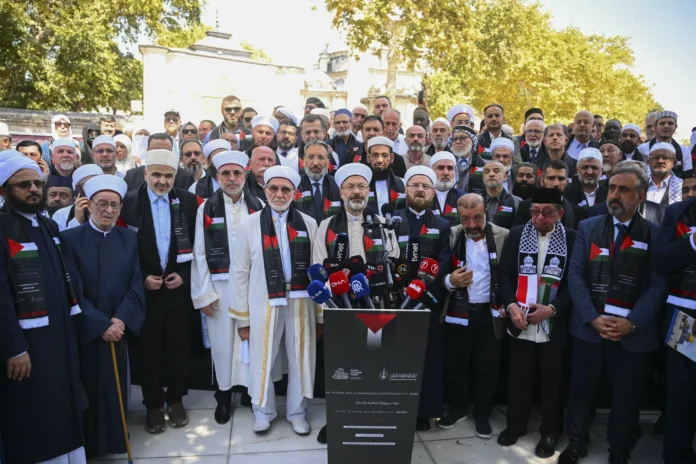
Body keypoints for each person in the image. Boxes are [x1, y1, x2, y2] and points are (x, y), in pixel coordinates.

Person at [559, 162, 667, 464]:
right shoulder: (588, 227)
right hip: (589, 329)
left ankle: (620, 451)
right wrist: (592, 317)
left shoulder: (656, 234)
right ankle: (576, 443)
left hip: (632, 334)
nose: (615, 195)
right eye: (613, 188)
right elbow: (575, 275)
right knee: (580, 391)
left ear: (641, 196)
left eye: (624, 189)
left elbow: (658, 285)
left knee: (627, 397)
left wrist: (633, 323)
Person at [0, 154, 86, 464]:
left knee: (63, 402)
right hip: (27, 344)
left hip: (60, 335)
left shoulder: (48, 225)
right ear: (3, 190)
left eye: (38, 183)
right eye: (24, 185)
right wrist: (13, 348)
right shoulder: (3, 228)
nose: (34, 189)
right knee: (36, 410)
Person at [230, 165, 320, 436]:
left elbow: (318, 270)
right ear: (265, 190)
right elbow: (240, 272)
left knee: (300, 358)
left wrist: (319, 315)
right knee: (263, 358)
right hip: (263, 301)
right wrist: (242, 319)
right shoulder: (249, 224)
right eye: (274, 188)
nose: (279, 194)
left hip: (300, 300)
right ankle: (263, 412)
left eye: (285, 189)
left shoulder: (309, 223)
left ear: (295, 193)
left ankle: (297, 413)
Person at [61, 175, 145, 459]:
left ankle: (115, 439)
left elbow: (136, 282)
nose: (108, 210)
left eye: (114, 205)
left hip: (118, 327)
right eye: (102, 204)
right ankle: (92, 445)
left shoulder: (128, 238)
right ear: (89, 205)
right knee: (91, 387)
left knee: (116, 386)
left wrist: (121, 319)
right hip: (89, 330)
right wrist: (100, 324)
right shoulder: (70, 239)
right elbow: (72, 289)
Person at [120, 149, 198, 434]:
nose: (162, 181)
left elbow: (198, 243)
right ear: (145, 174)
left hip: (178, 288)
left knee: (179, 346)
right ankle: (153, 403)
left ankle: (176, 399)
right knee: (148, 349)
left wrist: (185, 276)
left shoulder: (187, 201)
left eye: (168, 176)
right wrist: (141, 279)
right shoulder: (129, 203)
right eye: (156, 175)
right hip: (145, 291)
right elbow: (122, 248)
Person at [497, 188, 576, 458]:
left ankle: (550, 432)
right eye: (535, 211)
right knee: (519, 377)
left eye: (547, 212)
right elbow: (504, 275)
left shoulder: (572, 238)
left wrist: (552, 309)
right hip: (520, 320)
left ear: (559, 213)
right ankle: (515, 425)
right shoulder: (517, 234)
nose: (540, 217)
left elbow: (576, 283)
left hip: (553, 323)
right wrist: (511, 305)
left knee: (553, 382)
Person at [191, 151, 262, 425]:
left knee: (251, 341)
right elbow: (199, 253)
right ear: (218, 177)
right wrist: (204, 294)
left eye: (237, 173)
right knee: (222, 345)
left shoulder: (258, 206)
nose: (232, 178)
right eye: (226, 174)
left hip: (251, 286)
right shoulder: (205, 209)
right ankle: (223, 396)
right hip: (219, 287)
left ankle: (250, 393)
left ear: (245, 175)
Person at [438, 194, 509, 439]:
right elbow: (439, 269)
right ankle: (458, 409)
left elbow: (509, 274)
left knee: (487, 367)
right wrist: (450, 280)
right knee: (456, 365)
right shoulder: (451, 234)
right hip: (457, 312)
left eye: (477, 218)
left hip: (490, 314)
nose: (471, 225)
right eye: (465, 219)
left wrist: (507, 303)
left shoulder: (503, 235)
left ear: (486, 212)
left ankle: (482, 413)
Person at [393, 166, 451, 431]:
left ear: (433, 191)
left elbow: (444, 260)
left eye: (425, 186)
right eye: (414, 185)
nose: (420, 190)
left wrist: (424, 287)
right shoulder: (392, 220)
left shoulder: (443, 225)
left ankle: (423, 412)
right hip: (395, 298)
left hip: (428, 300)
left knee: (426, 356)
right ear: (406, 189)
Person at [655, 194, 696, 464]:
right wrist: (693, 242)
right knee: (681, 393)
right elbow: (661, 262)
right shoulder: (677, 212)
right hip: (685, 315)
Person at [514, 160, 587, 230]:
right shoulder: (525, 206)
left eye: (561, 179)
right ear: (542, 180)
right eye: (551, 178)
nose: (556, 183)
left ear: (567, 182)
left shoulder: (577, 212)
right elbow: (518, 234)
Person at [123, 133, 194, 192]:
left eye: (165, 151)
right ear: (147, 151)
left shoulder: (186, 177)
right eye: (157, 151)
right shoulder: (132, 176)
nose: (161, 155)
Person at [293, 141, 341, 223]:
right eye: (310, 157)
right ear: (303, 161)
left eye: (321, 158)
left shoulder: (337, 185)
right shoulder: (295, 185)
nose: (315, 163)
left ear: (328, 162)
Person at [638, 111, 692, 178]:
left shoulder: (684, 150)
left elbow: (688, 177)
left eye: (670, 123)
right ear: (655, 127)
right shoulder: (642, 149)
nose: (666, 126)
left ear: (675, 127)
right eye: (662, 123)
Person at [52, 164, 104, 231]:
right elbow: (63, 237)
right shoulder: (61, 215)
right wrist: (77, 220)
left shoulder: (111, 210)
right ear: (78, 190)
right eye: (89, 184)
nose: (95, 188)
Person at [365, 136, 406, 212]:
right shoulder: (361, 185)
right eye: (375, 155)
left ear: (392, 158)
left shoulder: (403, 184)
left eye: (385, 155)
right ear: (368, 157)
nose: (380, 160)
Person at [483, 160, 520, 230]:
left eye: (496, 171)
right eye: (487, 172)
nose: (491, 174)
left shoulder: (516, 202)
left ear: (505, 176)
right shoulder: (474, 200)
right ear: (483, 178)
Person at [430, 152, 465, 227]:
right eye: (440, 168)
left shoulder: (463, 198)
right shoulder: (423, 197)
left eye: (450, 168)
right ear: (431, 171)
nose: (446, 173)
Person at [451, 125, 486, 194]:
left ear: (472, 141)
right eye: (455, 139)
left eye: (462, 138)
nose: (458, 141)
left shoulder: (483, 164)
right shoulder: (447, 162)